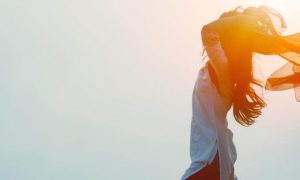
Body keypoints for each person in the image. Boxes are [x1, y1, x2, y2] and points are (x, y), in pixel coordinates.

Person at [181, 6, 300, 180]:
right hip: (218, 163)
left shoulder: (222, 69)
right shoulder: (224, 73)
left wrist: (242, 22)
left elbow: (209, 32)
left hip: (210, 162)